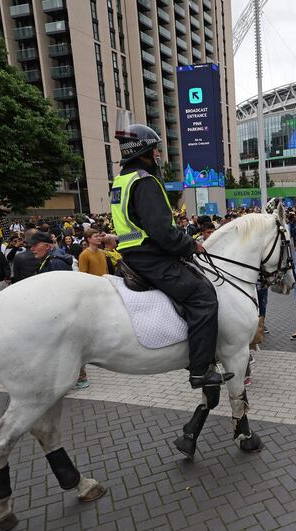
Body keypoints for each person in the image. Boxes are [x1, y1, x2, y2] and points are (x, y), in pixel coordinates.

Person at [111, 123, 228, 389]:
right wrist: (190, 246)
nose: (158, 155)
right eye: (155, 150)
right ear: (143, 152)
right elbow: (162, 231)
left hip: (131, 255)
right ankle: (200, 370)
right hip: (151, 257)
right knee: (203, 297)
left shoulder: (121, 181)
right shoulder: (145, 181)